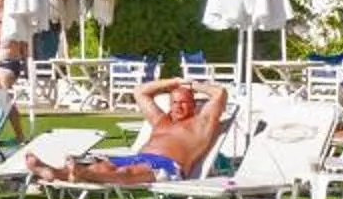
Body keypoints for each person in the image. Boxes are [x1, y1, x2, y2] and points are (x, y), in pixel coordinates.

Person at [60, 75, 231, 185]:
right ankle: (51, 171)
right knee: (101, 167)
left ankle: (82, 173)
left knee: (127, 172)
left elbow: (219, 93)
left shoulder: (200, 123)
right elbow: (140, 92)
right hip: (137, 157)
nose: (178, 106)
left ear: (194, 105)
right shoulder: (161, 120)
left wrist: (190, 84)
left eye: (184, 102)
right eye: (174, 102)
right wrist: (174, 82)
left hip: (167, 166)